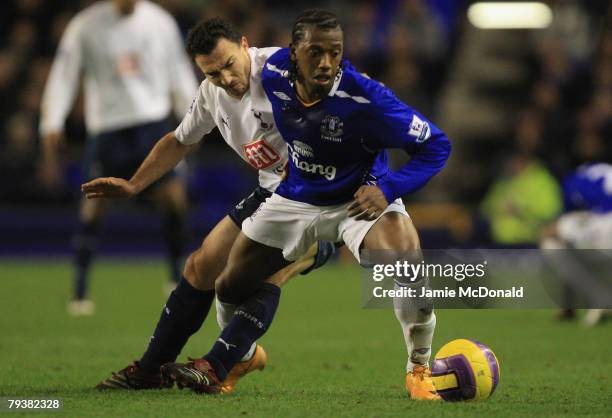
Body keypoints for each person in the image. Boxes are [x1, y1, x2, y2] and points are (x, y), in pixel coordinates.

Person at [159, 9, 451, 400]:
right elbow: (231, 87)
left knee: (406, 261)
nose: (327, 62)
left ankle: (420, 368)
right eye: (316, 52)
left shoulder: (367, 97)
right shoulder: (272, 73)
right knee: (230, 284)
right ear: (293, 52)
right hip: (297, 198)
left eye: (335, 52)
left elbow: (436, 145)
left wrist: (389, 187)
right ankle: (240, 356)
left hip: (359, 199)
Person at [82, 18, 334, 392]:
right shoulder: (211, 93)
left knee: (262, 274)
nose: (226, 79)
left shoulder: (286, 70)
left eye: (230, 64)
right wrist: (134, 184)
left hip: (325, 196)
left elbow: (341, 117)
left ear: (245, 45)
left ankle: (215, 367)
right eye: (213, 73)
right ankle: (151, 370)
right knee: (201, 266)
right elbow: (180, 141)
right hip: (272, 192)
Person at [39, 0, 198, 315]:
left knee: (175, 199)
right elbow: (64, 74)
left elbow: (177, 70)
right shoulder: (85, 25)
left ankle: (175, 277)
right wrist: (52, 121)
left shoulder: (159, 21)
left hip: (152, 124)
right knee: (94, 207)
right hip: (108, 128)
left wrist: (194, 113)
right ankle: (80, 290)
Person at [540, 162, 612, 325]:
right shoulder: (601, 174)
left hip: (603, 240)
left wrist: (560, 227)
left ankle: (601, 299)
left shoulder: (572, 183)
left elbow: (556, 229)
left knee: (552, 243)